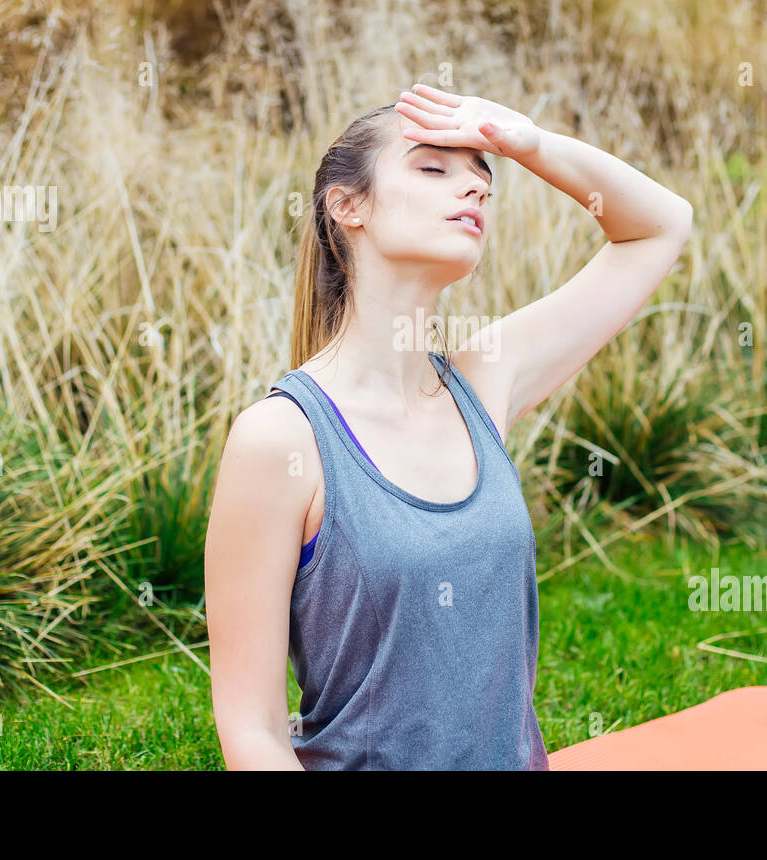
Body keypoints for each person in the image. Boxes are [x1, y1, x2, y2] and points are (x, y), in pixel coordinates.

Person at [205, 84, 693, 769]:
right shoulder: (281, 441)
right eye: (434, 169)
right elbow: (251, 731)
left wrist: (530, 143)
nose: (472, 190)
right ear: (348, 206)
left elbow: (661, 225)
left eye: (483, 182)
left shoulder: (484, 382)